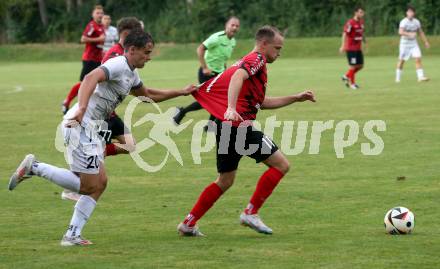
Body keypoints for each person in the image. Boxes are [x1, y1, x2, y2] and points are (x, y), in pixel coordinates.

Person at [8, 29, 198, 246]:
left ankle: (72, 235)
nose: (149, 57)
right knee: (88, 186)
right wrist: (80, 108)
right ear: (132, 50)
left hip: (92, 129)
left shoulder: (132, 72)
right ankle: (35, 168)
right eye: (146, 52)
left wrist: (181, 92)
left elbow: (148, 96)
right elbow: (90, 77)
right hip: (81, 125)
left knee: (100, 183)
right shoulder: (118, 64)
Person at [177, 26, 316, 236]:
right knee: (281, 165)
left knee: (225, 180)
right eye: (277, 48)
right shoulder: (256, 59)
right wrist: (231, 108)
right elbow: (236, 77)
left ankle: (188, 223)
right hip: (237, 128)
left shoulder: (255, 64)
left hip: (226, 128)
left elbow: (262, 103)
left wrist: (295, 98)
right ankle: (250, 213)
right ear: (264, 44)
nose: (279, 53)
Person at [61, 17, 143, 202]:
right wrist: (80, 107)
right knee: (95, 169)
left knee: (130, 145)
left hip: (110, 113)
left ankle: (100, 154)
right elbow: (93, 81)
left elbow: (142, 91)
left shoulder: (127, 58)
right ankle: (73, 187)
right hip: (100, 116)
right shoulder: (115, 57)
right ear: (128, 34)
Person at [173, 17, 240, 130]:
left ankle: (209, 125)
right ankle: (183, 111)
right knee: (209, 100)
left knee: (219, 100)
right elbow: (200, 49)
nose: (235, 27)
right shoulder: (216, 38)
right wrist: (204, 67)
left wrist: (224, 71)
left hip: (219, 74)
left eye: (237, 26)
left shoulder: (233, 42)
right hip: (207, 73)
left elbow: (222, 58)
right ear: (226, 26)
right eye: (232, 25)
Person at [62, 5, 105, 114]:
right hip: (89, 59)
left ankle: (95, 106)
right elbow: (83, 38)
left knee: (98, 82)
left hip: (98, 59)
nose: (100, 15)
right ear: (93, 15)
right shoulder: (92, 25)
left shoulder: (101, 26)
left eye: (101, 13)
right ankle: (67, 102)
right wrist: (98, 39)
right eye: (97, 13)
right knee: (84, 83)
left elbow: (100, 44)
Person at [395, 5, 430, 83]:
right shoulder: (403, 21)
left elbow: (420, 32)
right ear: (406, 13)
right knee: (401, 61)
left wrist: (425, 42)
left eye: (412, 12)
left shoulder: (416, 22)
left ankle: (420, 77)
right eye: (409, 12)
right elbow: (400, 32)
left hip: (414, 44)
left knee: (418, 58)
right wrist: (409, 34)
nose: (410, 13)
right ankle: (397, 79)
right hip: (404, 44)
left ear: (414, 13)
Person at [339, 7, 366, 90]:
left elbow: (361, 33)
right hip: (351, 49)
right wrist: (343, 45)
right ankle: (352, 84)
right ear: (356, 13)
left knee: (360, 66)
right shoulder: (350, 23)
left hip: (358, 48)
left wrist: (365, 41)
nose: (362, 14)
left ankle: (346, 76)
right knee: (353, 66)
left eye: (363, 12)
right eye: (360, 12)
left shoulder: (361, 22)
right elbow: (344, 34)